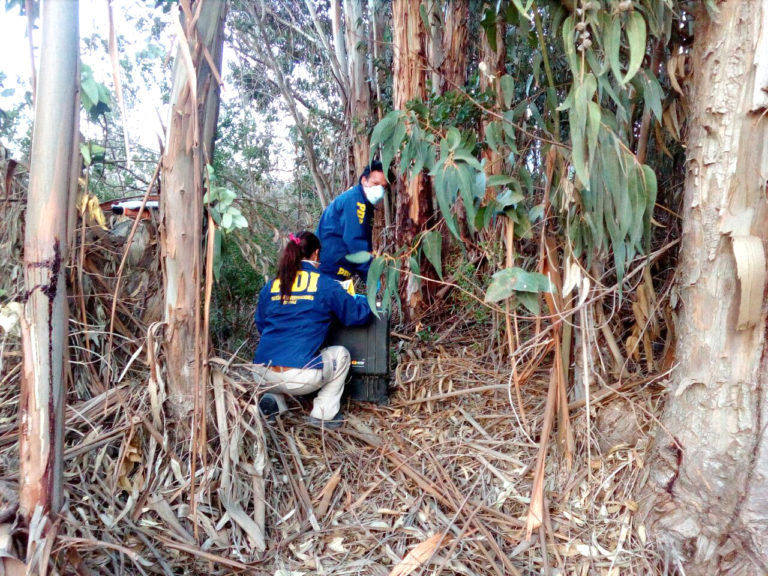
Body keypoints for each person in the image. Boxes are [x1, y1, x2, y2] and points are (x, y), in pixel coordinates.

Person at [253, 231, 372, 429]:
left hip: (261, 373)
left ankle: (273, 400)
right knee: (341, 355)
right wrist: (369, 304)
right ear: (316, 254)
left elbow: (262, 325)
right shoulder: (324, 284)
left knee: (279, 359)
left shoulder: (272, 286)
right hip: (298, 378)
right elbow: (355, 315)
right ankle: (323, 414)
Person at [315, 161, 388, 282]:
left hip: (338, 270)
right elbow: (354, 241)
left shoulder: (365, 204)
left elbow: (364, 243)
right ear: (364, 180)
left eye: (384, 187)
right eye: (376, 183)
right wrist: (370, 277)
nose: (380, 189)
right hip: (330, 269)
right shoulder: (355, 201)